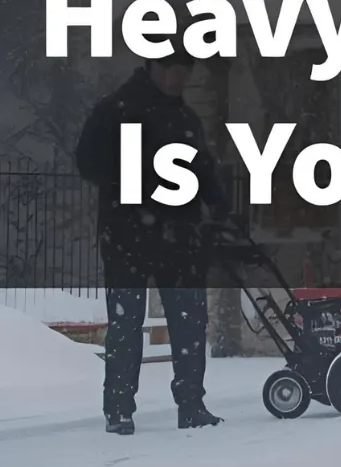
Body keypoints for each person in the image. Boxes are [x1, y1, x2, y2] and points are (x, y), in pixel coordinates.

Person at [75, 55, 230, 435]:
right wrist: (137, 179)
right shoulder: (116, 111)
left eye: (185, 72)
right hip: (128, 235)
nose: (179, 79)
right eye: (173, 71)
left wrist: (221, 208)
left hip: (179, 238)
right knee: (127, 323)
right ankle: (119, 408)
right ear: (153, 67)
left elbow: (203, 170)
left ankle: (191, 404)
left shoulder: (185, 120)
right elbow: (88, 163)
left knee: (190, 320)